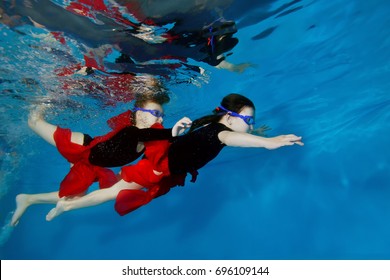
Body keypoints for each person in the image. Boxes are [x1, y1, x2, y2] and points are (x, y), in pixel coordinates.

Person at [45, 93, 304, 221]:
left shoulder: (217, 125)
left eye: (252, 121)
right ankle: (67, 204)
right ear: (228, 117)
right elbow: (233, 138)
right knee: (115, 192)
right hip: (159, 166)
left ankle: (67, 200)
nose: (250, 124)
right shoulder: (220, 131)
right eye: (248, 119)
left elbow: (240, 134)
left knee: (117, 189)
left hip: (168, 165)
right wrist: (267, 143)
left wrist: (258, 132)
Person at [10, 90, 191, 226]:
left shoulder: (147, 143)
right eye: (156, 114)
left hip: (90, 166)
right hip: (80, 147)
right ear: (138, 113)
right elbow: (148, 135)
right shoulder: (132, 132)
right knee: (34, 120)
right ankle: (50, 93)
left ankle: (27, 199)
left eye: (162, 116)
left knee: (71, 197)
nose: (160, 119)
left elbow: (151, 156)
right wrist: (172, 132)